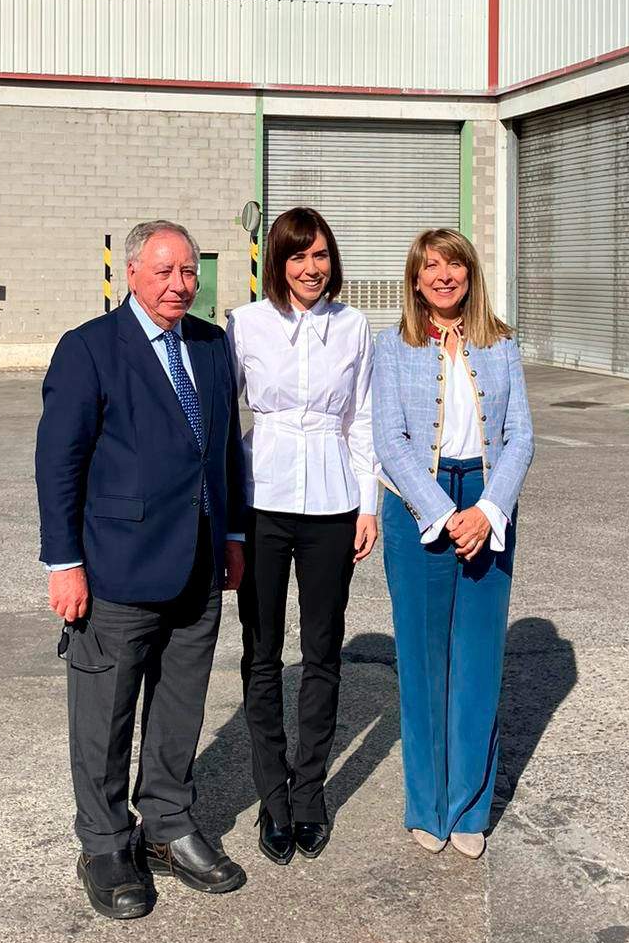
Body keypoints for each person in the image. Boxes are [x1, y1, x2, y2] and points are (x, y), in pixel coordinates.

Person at [36, 220, 249, 921]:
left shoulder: (213, 348)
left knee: (181, 705)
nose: (178, 284)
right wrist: (65, 562)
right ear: (131, 273)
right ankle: (103, 844)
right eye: (163, 271)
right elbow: (59, 465)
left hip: (200, 564)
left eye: (187, 271)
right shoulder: (90, 350)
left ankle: (166, 824)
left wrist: (235, 533)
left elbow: (223, 453)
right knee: (105, 713)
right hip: (117, 569)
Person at [372, 228, 533, 858]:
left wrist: (488, 512)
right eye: (431, 267)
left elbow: (520, 436)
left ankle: (468, 806)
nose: (444, 276)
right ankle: (427, 806)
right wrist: (445, 512)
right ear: (415, 279)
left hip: (487, 497)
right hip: (419, 506)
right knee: (422, 662)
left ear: (470, 273)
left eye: (455, 265)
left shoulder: (502, 343)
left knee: (477, 665)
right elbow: (390, 441)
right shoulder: (394, 345)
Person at [227, 207, 378, 866]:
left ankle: (310, 792)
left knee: (321, 653)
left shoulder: (354, 327)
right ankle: (273, 795)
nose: (310, 269)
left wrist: (367, 505)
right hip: (262, 498)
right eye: (297, 256)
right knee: (262, 654)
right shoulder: (244, 323)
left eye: (319, 256)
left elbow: (364, 417)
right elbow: (218, 409)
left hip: (331, 501)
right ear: (277, 262)